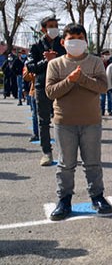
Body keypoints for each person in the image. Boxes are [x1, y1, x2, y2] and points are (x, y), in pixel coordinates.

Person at [45, 23, 112, 220]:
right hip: (64, 121)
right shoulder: (55, 64)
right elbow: (50, 92)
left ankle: (97, 196)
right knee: (66, 164)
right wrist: (70, 80)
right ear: (63, 42)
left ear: (86, 41)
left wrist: (81, 78)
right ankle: (64, 200)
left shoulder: (95, 62)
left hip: (91, 120)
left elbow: (102, 87)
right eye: (71, 40)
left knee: (92, 162)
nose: (76, 43)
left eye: (80, 39)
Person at [26, 15, 67, 166]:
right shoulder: (36, 46)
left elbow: (69, 61)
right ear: (43, 29)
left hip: (61, 86)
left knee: (64, 120)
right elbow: (31, 67)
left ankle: (65, 152)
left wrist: (55, 59)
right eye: (51, 26)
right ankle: (46, 153)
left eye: (56, 25)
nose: (54, 28)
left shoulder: (62, 44)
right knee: (43, 121)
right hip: (42, 87)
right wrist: (46, 61)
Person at [99, 49, 112, 116]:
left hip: (109, 82)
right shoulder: (99, 62)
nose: (107, 56)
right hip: (102, 82)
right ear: (102, 55)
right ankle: (102, 111)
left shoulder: (111, 61)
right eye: (106, 55)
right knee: (102, 98)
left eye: (108, 55)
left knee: (110, 98)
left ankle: (110, 110)